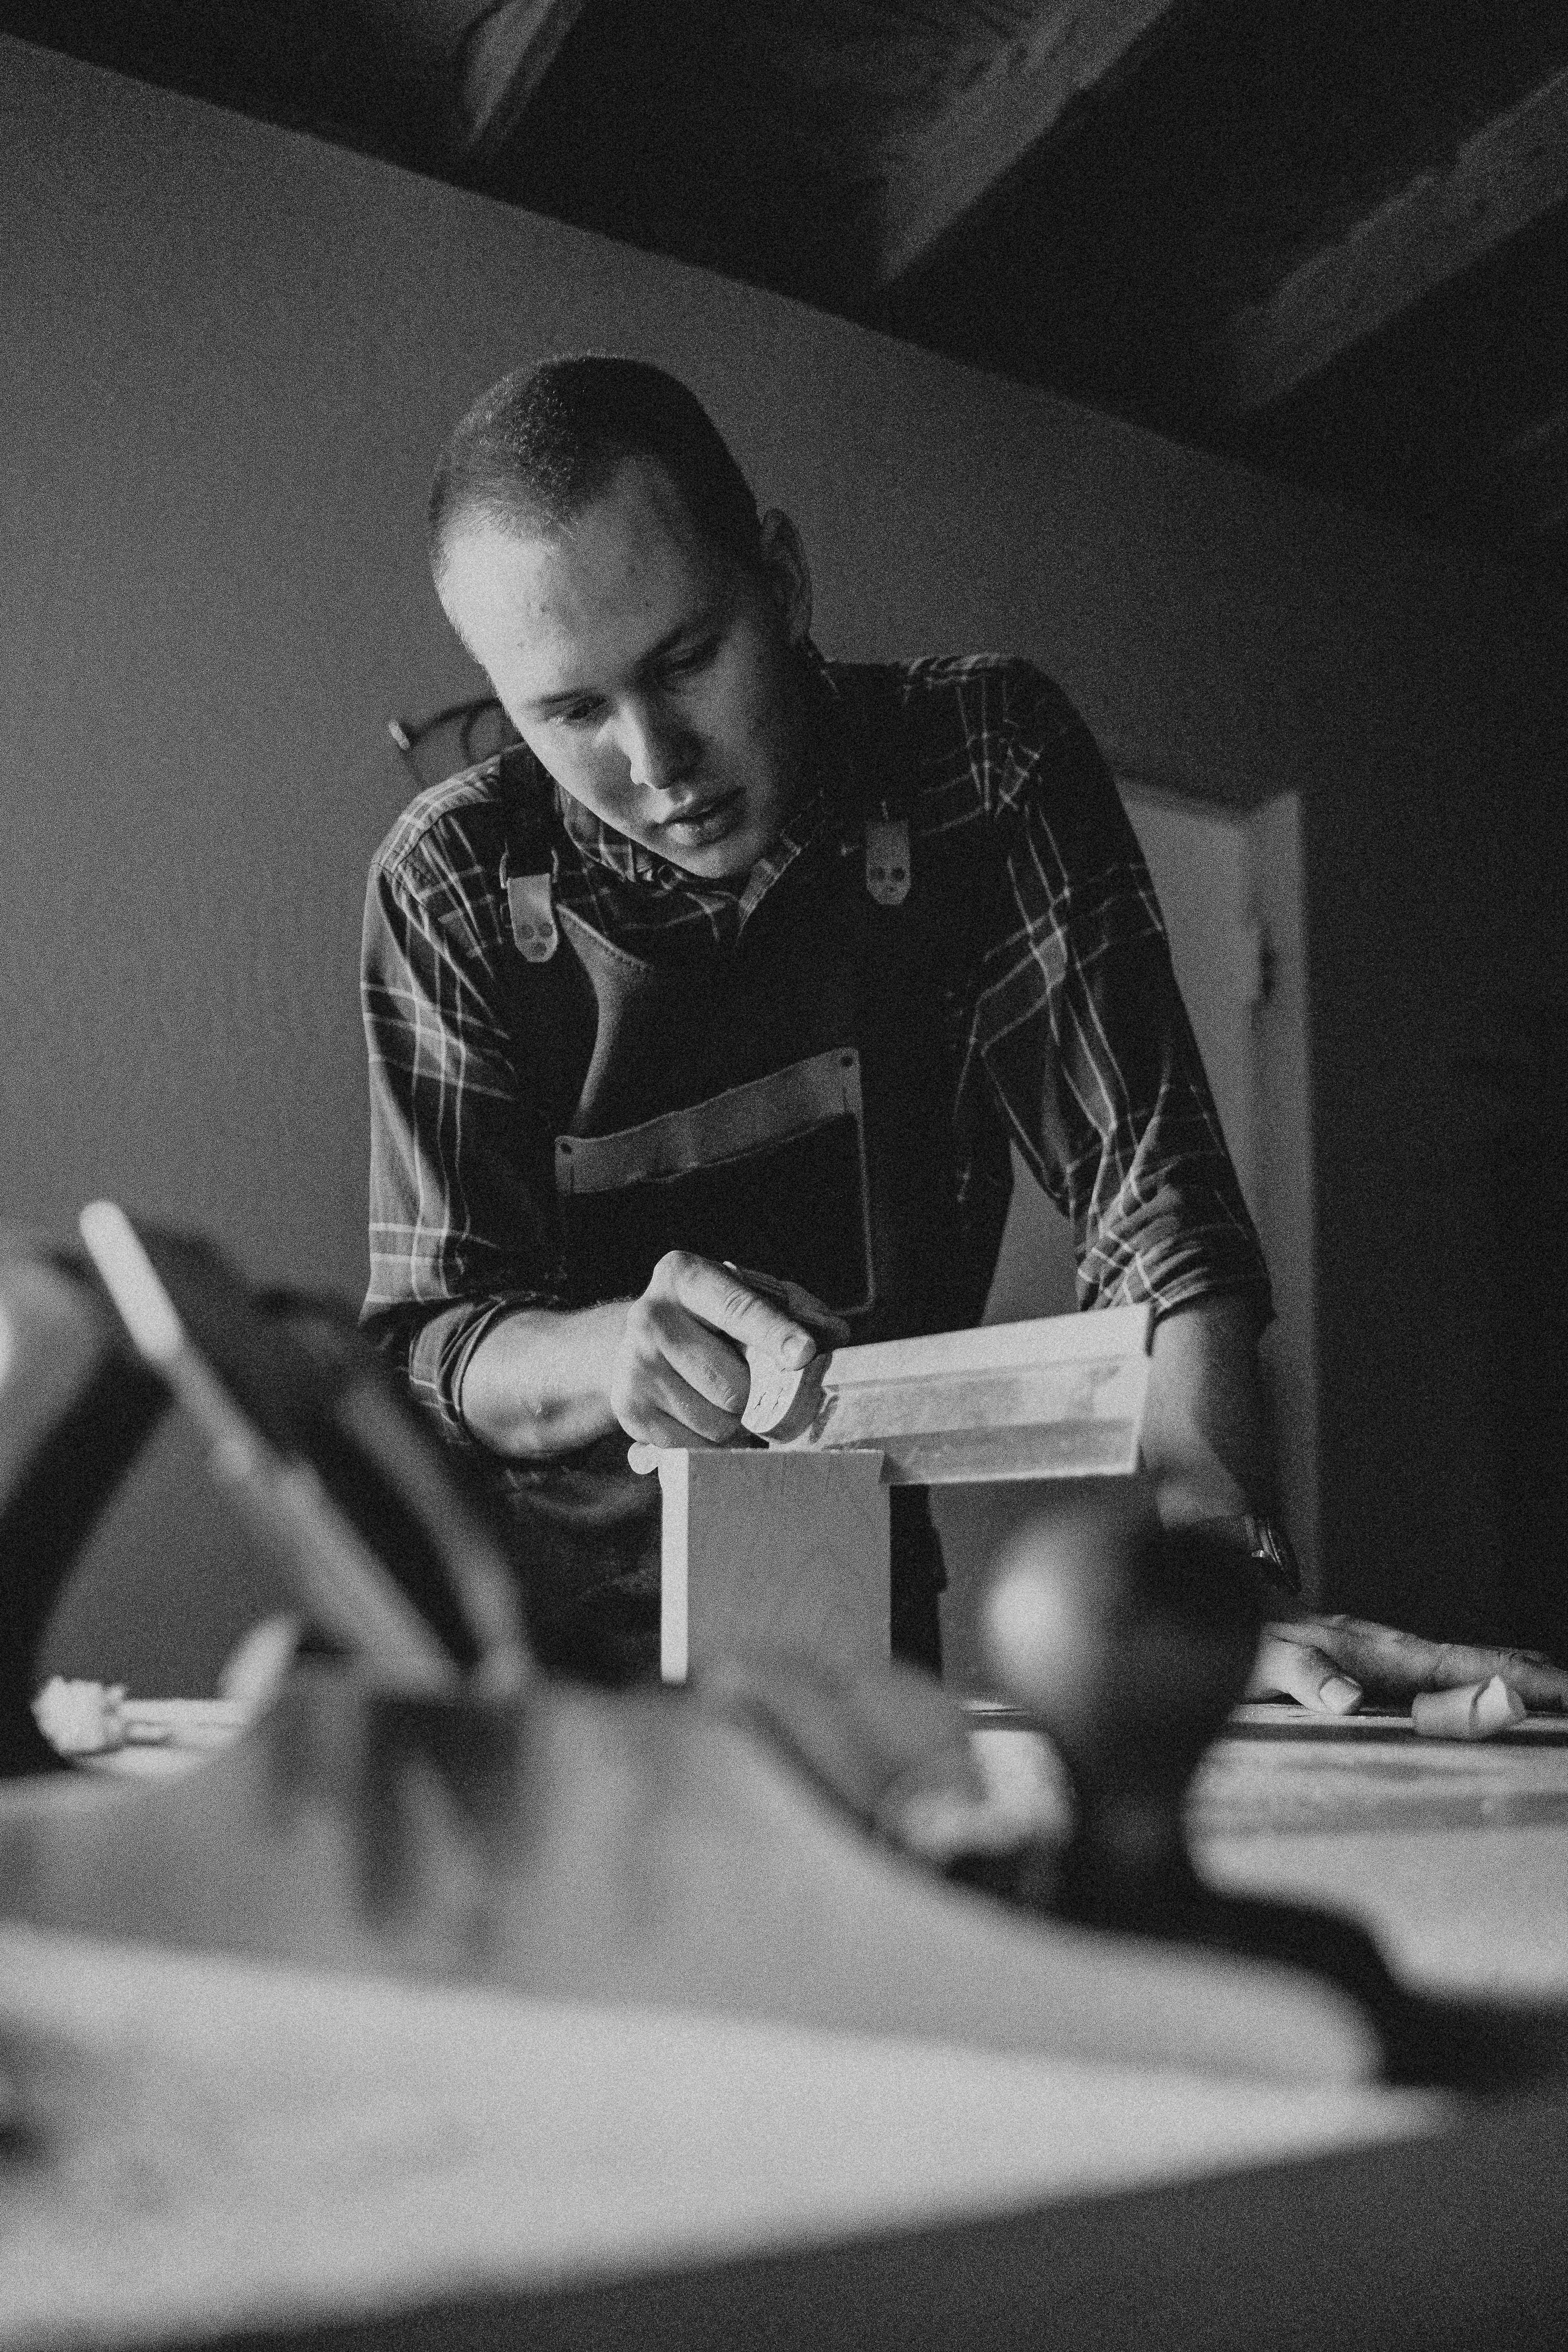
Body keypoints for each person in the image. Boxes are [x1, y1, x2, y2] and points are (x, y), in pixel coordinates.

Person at [361, 354, 1568, 1715]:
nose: (655, 763)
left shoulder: (981, 762)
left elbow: (1150, 1201)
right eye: (571, 713)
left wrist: (1222, 1585)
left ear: (784, 581)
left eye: (688, 661)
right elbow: (427, 1341)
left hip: (863, 1605)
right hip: (531, 1658)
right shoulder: (451, 877)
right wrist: (607, 1353)